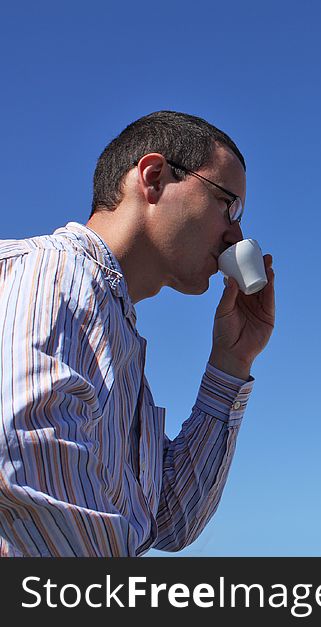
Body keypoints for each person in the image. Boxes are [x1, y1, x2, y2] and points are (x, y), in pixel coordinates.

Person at [0, 111, 275, 556]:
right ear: (153, 178)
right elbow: (22, 459)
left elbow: (169, 519)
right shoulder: (51, 273)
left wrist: (232, 362)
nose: (236, 234)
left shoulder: (111, 330)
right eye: (230, 204)